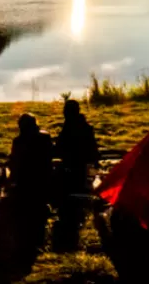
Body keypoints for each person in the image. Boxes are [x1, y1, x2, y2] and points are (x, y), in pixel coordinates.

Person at [52, 99, 100, 251]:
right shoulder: (86, 127)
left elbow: (59, 150)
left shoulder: (69, 128)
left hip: (73, 170)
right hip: (84, 170)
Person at [8, 113, 54, 198]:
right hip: (43, 181)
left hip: (23, 182)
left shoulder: (18, 141)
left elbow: (13, 162)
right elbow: (51, 155)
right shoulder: (44, 137)